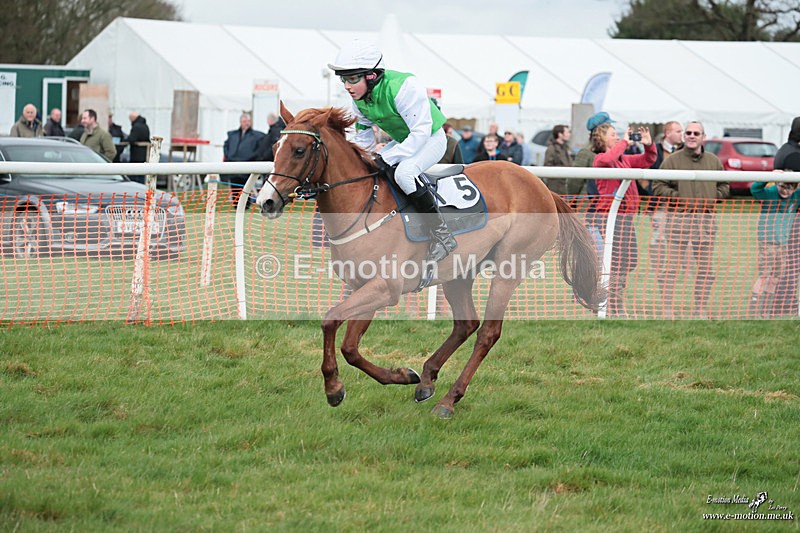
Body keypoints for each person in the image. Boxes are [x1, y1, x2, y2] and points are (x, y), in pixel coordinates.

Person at [327, 38, 456, 262]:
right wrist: (365, 158)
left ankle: (442, 236)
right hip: (406, 139)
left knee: (404, 173)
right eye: (344, 80)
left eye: (352, 79)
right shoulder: (359, 100)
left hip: (431, 138)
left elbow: (420, 134)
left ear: (371, 75)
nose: (347, 86)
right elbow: (364, 135)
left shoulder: (404, 87)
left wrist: (385, 156)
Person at [653, 121, 729, 319]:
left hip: (705, 223)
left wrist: (713, 197)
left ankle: (700, 308)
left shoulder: (714, 161)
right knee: (671, 268)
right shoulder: (672, 161)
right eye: (688, 132)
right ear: (684, 136)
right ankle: (667, 309)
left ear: (703, 136)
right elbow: (658, 185)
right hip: (679, 221)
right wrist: (678, 197)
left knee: (705, 270)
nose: (692, 136)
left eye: (696, 133)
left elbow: (725, 186)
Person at [592, 123, 657, 317]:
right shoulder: (600, 160)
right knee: (614, 262)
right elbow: (608, 158)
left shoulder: (624, 159)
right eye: (613, 135)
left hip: (626, 219)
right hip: (610, 218)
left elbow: (648, 160)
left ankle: (612, 300)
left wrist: (649, 144)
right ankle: (609, 305)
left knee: (628, 260)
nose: (617, 137)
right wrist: (625, 142)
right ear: (602, 139)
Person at [748, 159, 800, 317]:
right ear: (777, 184)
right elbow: (755, 189)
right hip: (767, 241)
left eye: (789, 188)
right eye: (782, 186)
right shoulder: (770, 193)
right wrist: (769, 176)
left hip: (783, 243)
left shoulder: (796, 196)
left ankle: (766, 311)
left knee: (776, 276)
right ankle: (754, 309)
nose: (785, 191)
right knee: (765, 274)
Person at [223, 112, 265, 205]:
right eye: (245, 121)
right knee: (235, 189)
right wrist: (229, 156)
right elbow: (226, 146)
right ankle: (236, 205)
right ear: (241, 122)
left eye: (248, 121)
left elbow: (260, 149)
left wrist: (253, 159)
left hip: (247, 167)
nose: (247, 123)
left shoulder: (257, 136)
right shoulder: (232, 135)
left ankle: (245, 205)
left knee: (245, 189)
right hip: (233, 167)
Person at [543, 124, 574, 194]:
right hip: (555, 188)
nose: (569, 134)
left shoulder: (565, 148)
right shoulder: (551, 149)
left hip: (564, 186)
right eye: (567, 132)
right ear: (560, 134)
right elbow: (547, 167)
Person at [127, 112, 151, 183]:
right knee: (142, 177)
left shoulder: (136, 127)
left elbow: (131, 139)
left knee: (134, 177)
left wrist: (126, 139)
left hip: (136, 156)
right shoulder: (145, 126)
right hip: (144, 155)